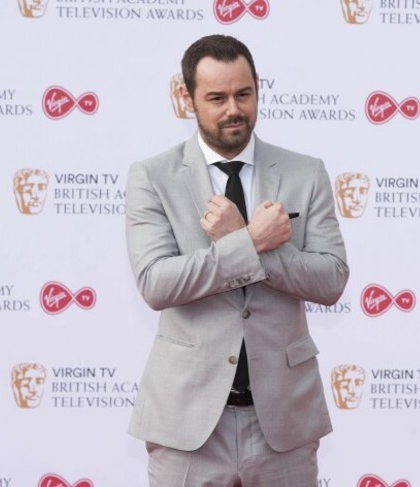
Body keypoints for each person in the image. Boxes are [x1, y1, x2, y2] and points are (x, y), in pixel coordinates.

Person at [125, 34, 349, 486]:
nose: (234, 109)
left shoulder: (306, 173)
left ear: (258, 89)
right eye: (217, 97)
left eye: (244, 94)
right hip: (187, 425)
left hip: (284, 423)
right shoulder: (152, 177)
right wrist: (248, 242)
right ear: (187, 98)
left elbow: (331, 279)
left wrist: (246, 241)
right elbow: (156, 283)